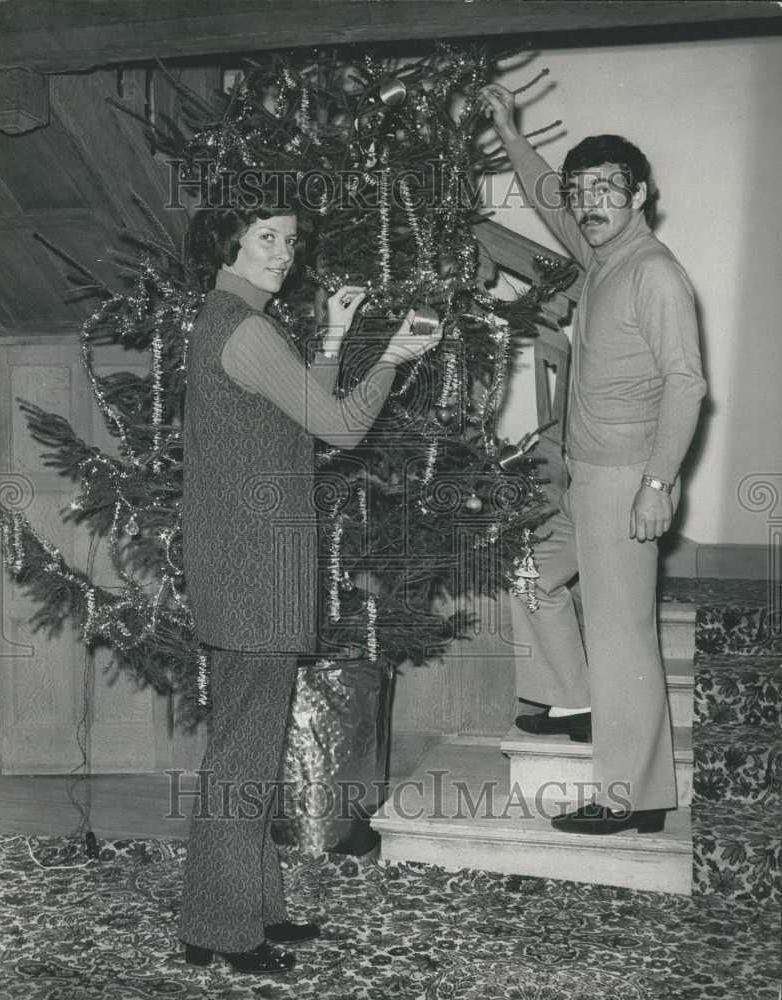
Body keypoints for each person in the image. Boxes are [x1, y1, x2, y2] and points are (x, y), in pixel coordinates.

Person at [179, 195, 440, 974]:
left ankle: (237, 911)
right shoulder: (247, 328)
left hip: (241, 562)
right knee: (244, 754)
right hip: (253, 567)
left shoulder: (228, 321)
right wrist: (390, 358)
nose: (282, 253)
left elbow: (296, 416)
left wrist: (331, 334)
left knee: (244, 746)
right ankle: (225, 932)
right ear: (229, 243)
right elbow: (338, 427)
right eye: (266, 238)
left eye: (290, 240)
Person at [479, 84, 706, 835]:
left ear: (638, 194)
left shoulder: (654, 273)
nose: (587, 203)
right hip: (578, 475)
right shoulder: (599, 255)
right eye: (582, 193)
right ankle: (572, 698)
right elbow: (545, 198)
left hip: (624, 483)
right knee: (528, 573)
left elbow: (686, 383)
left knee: (621, 636)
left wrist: (655, 484)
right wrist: (508, 132)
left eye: (605, 188)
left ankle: (632, 796)